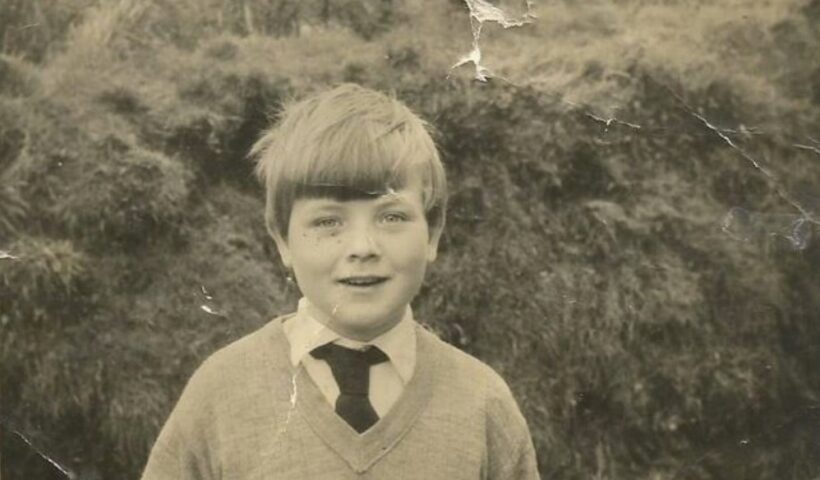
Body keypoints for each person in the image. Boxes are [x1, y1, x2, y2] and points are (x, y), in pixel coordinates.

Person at [141, 83, 539, 479]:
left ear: (432, 232)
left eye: (391, 217)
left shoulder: (481, 402)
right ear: (283, 240)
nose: (362, 247)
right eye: (328, 222)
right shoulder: (222, 392)